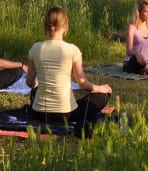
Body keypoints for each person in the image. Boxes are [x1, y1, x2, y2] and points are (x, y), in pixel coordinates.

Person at [26, 7, 112, 137]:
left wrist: (36, 85)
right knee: (103, 96)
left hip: (39, 113)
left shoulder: (35, 48)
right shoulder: (72, 50)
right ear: (65, 25)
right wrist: (100, 88)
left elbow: (29, 82)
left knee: (35, 90)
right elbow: (83, 84)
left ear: (45, 26)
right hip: (65, 114)